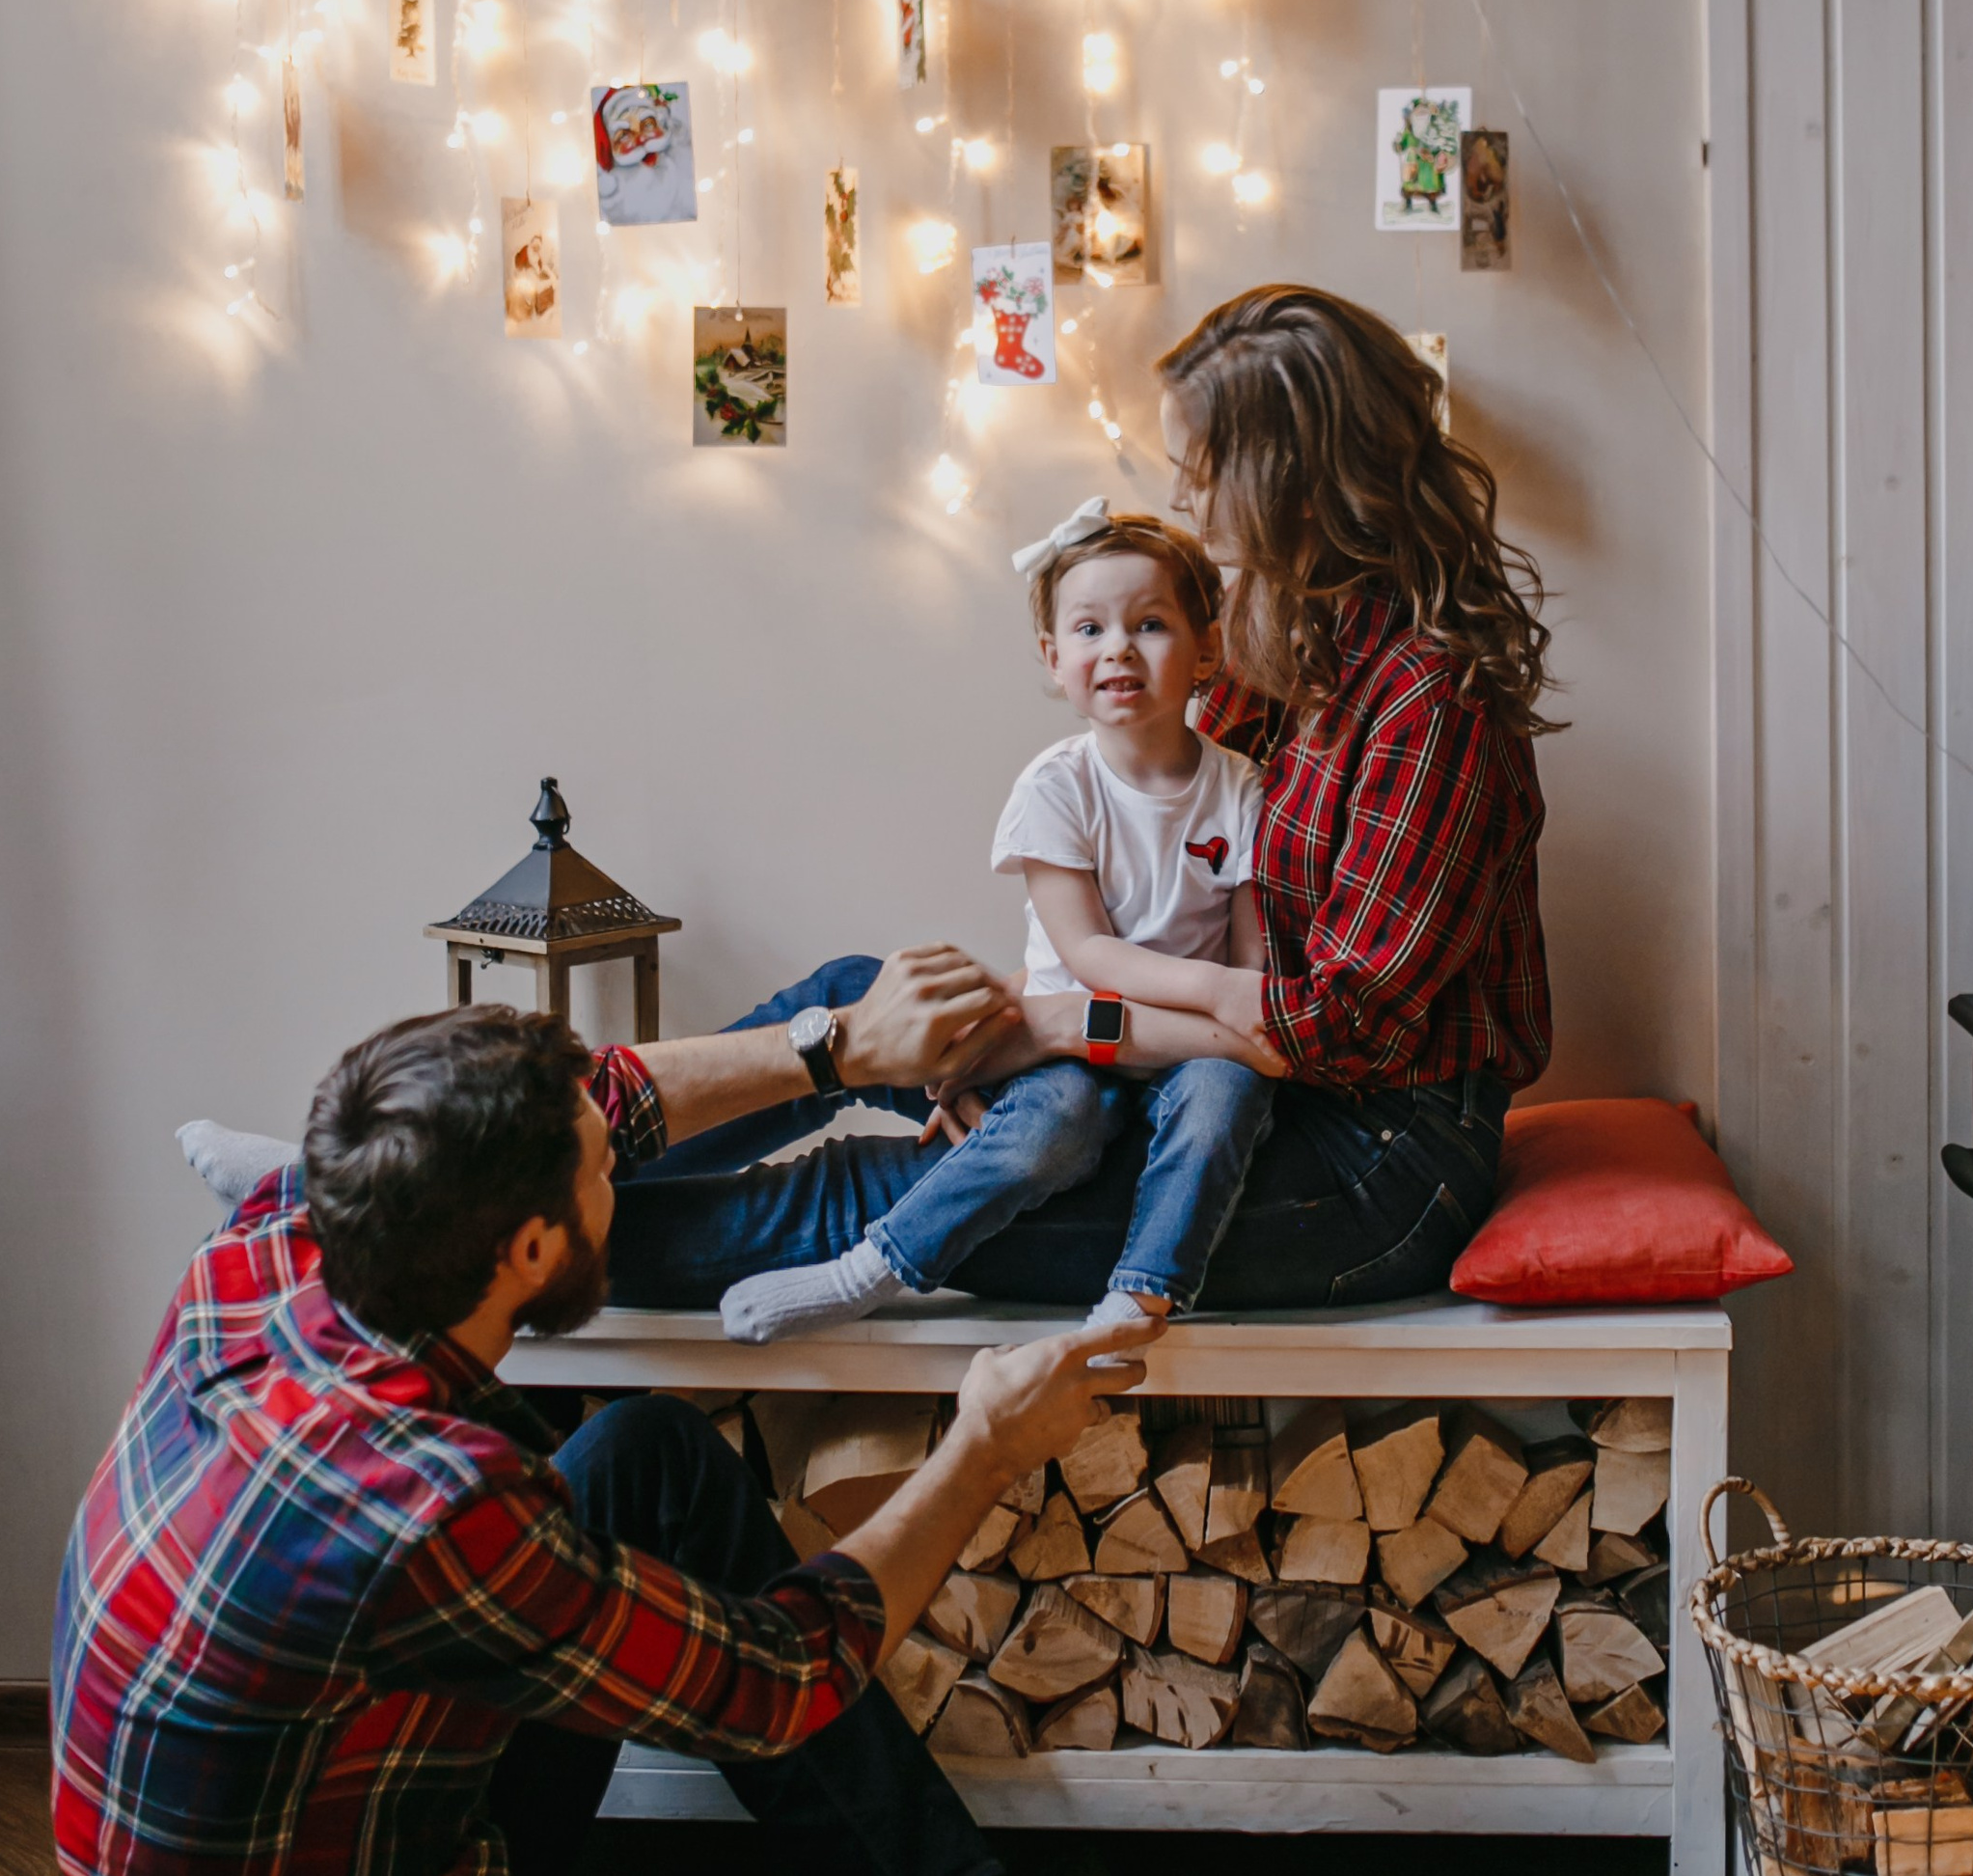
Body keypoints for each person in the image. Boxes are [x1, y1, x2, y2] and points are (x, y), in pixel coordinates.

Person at [56, 996, 1806, 1876]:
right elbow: (784, 1680)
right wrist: (978, 1445)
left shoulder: (278, 1248)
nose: (628, 1178)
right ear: (524, 1252)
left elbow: (610, 1106)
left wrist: (828, 1048)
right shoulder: (430, 1510)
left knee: (651, 1452)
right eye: (596, 1185)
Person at [602, 284, 1551, 1318]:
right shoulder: (1271, 641)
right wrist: (1010, 1031)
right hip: (1194, 1053)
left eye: (1204, 462)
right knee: (868, 999)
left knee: (868, 1191)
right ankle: (555, 1163)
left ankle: (518, 1251)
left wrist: (1058, 1025)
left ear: (1299, 484)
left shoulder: (1429, 702)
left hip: (1362, 1157)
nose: (1184, 493)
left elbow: (1330, 1031)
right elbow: (1133, 904)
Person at [716, 504, 1277, 1347]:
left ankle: (1143, 1299)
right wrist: (1226, 997)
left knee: (1228, 1096)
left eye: (1150, 624)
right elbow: (1086, 951)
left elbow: (1252, 958)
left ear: (1205, 649)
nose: (1118, 647)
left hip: (1179, 1042)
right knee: (1052, 1128)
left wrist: (1240, 1014)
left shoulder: (1243, 789)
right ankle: (873, 1267)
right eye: (1090, 628)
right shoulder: (1057, 788)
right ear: (1056, 661)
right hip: (1069, 1039)